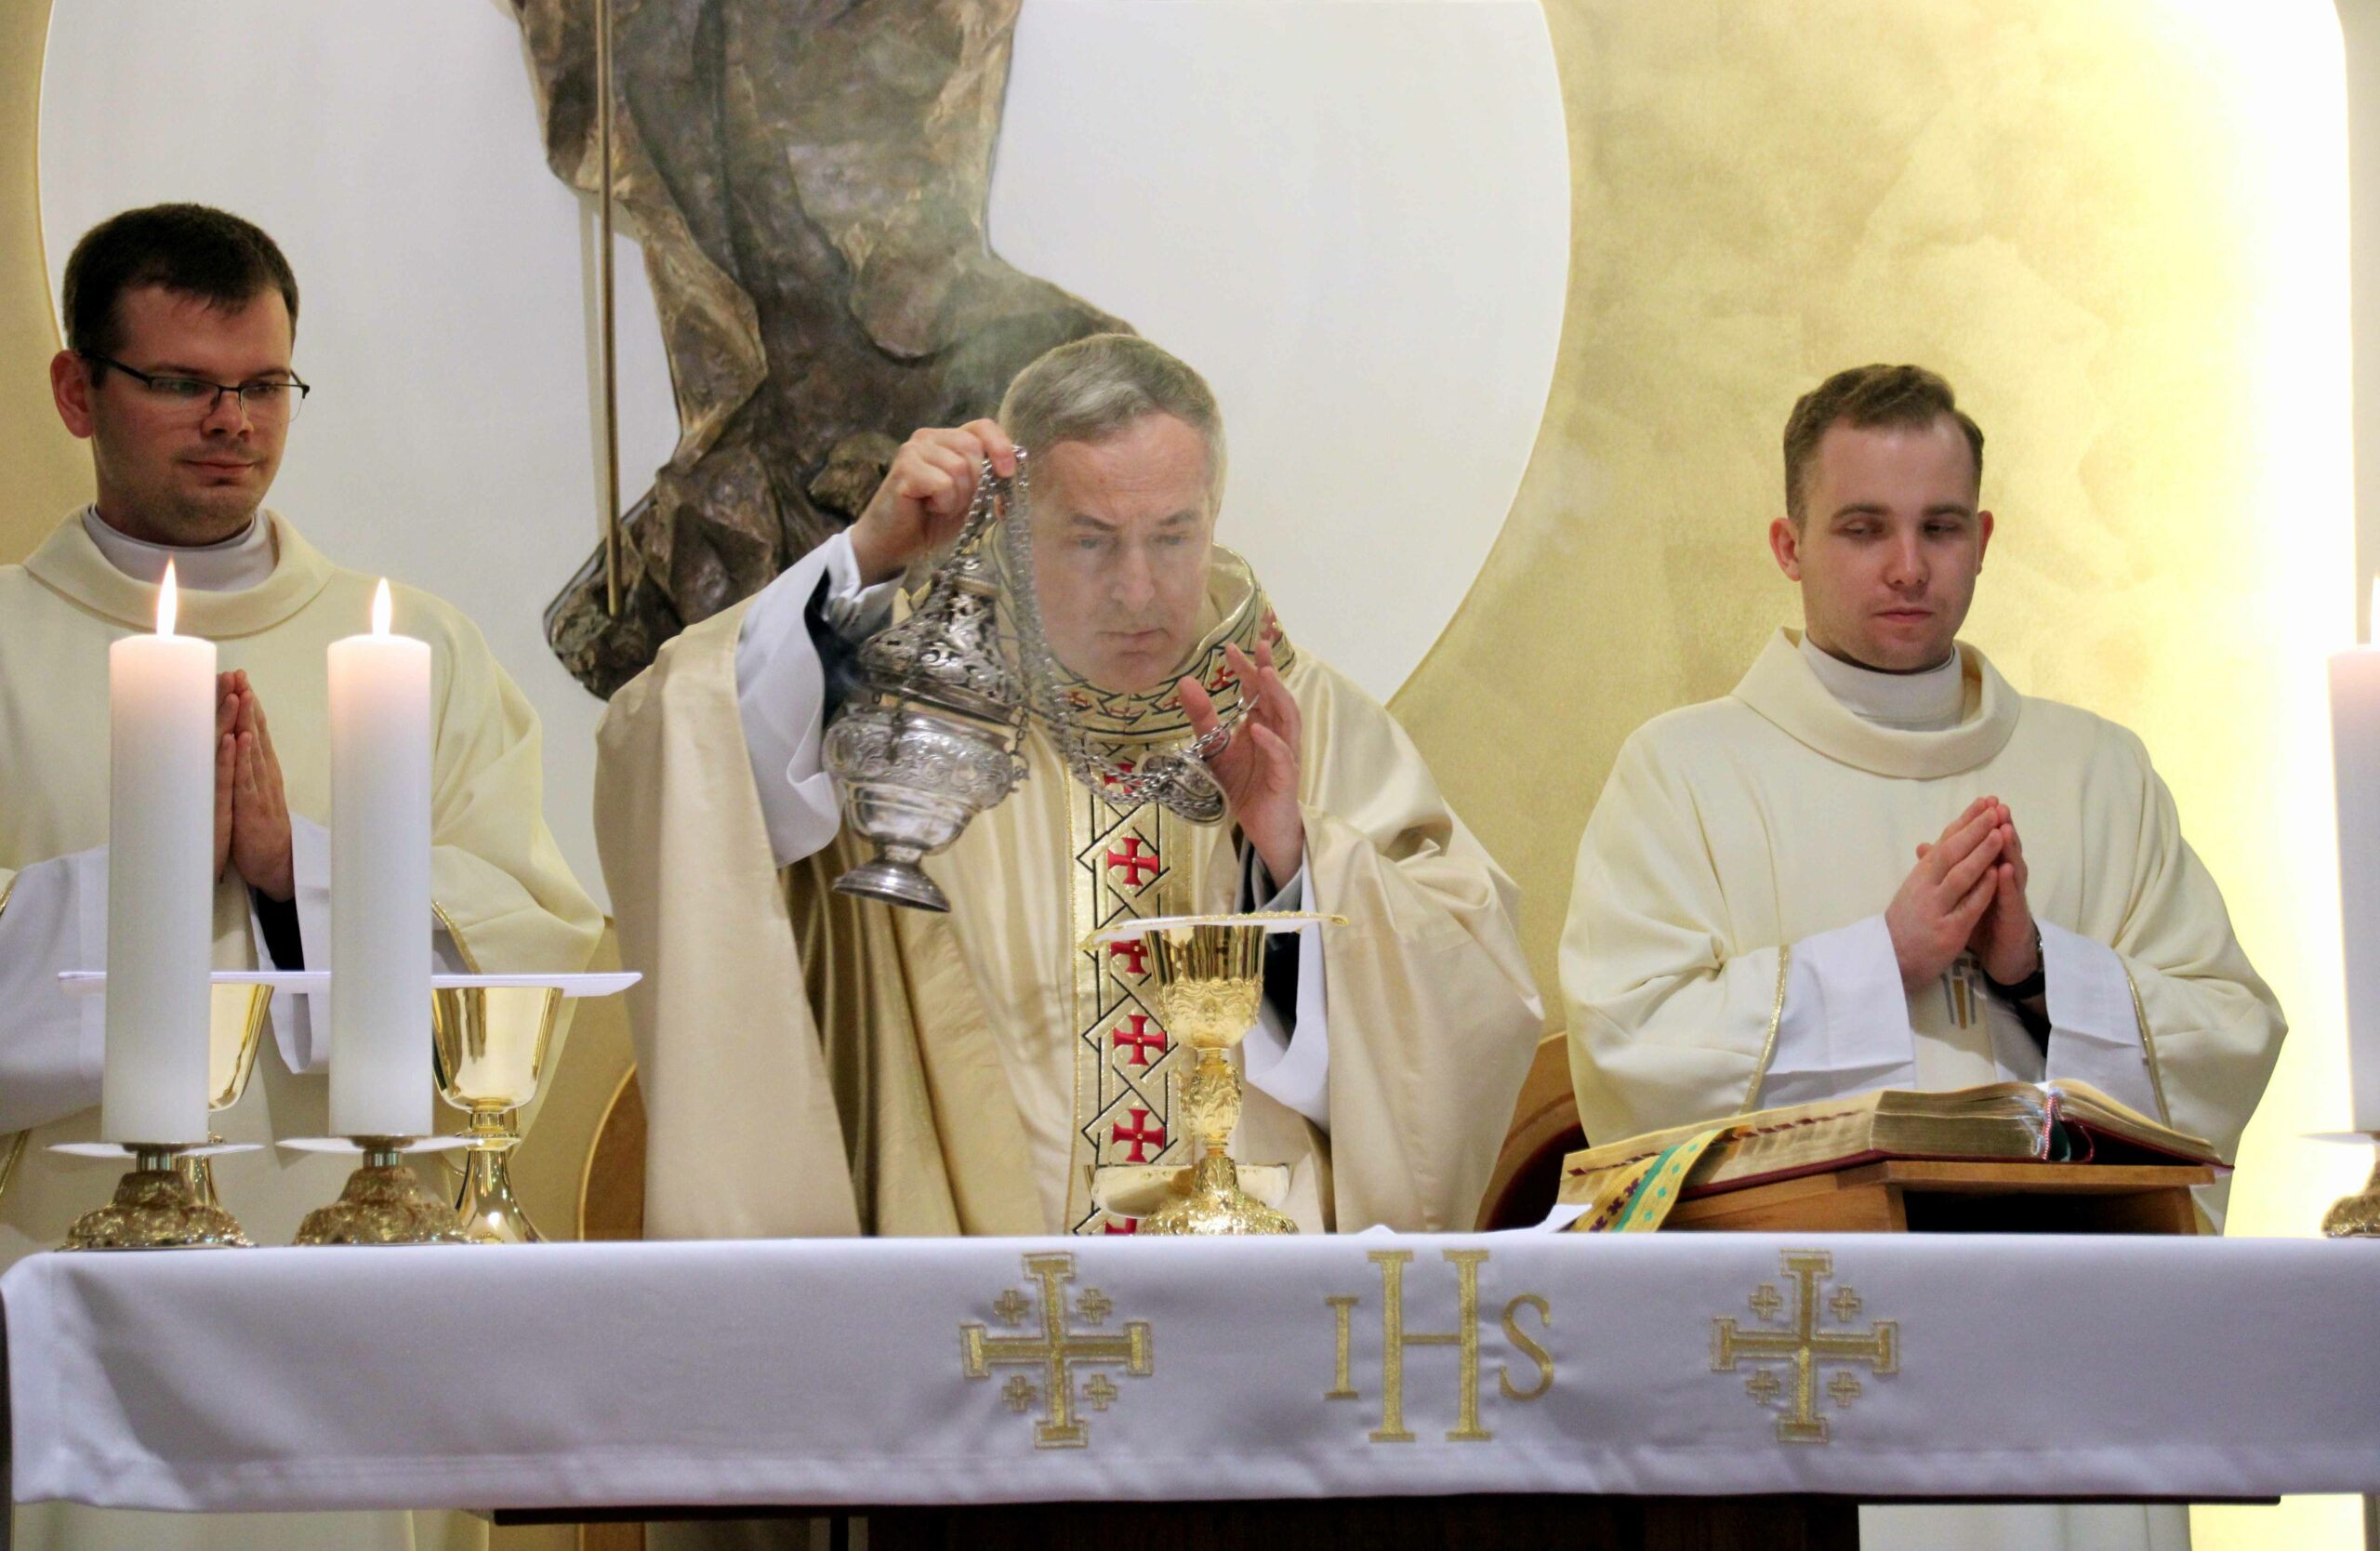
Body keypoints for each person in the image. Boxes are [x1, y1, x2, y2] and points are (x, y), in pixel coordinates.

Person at [598, 332, 1541, 1240]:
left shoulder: (1302, 716)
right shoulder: (907, 699)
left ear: (1213, 513)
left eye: (1172, 536)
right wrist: (864, 556)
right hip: (973, 1287)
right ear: (1012, 527)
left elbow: (1465, 1013)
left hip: (1254, 1291)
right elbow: (697, 758)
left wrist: (1294, 860)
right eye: (1092, 541)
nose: (1137, 589)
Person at [0, 204, 602, 1548]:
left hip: (350, 1303)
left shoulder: (419, 652)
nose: (232, 423)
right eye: (183, 384)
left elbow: (527, 956)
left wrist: (301, 871)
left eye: (264, 385)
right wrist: (141, 877)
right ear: (77, 391)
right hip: (61, 1290)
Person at [1563, 364, 2282, 1209]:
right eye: (1864, 529)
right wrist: (1883, 960)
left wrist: (2039, 970)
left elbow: (2230, 1033)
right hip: (1812, 1270)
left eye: (1939, 528)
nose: (1908, 568)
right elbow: (1630, 1046)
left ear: (1981, 540)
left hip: (2065, 1261)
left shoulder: (2099, 771)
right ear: (1789, 547)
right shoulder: (1681, 772)